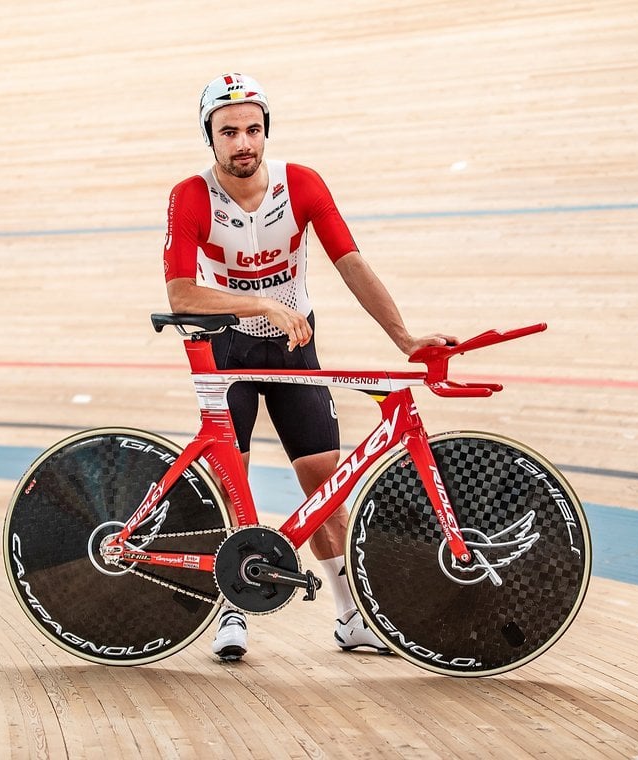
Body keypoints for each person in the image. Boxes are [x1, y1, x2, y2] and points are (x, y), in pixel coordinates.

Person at [162, 73, 456, 661]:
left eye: (252, 129)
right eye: (228, 132)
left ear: (265, 130)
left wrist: (404, 339)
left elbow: (350, 261)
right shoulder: (191, 196)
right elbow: (180, 295)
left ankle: (352, 617)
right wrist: (261, 303)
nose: (243, 142)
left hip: (294, 347)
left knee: (324, 484)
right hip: (230, 350)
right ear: (209, 138)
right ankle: (233, 610)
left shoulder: (301, 184)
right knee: (232, 486)